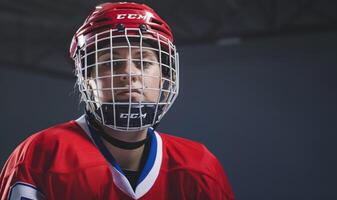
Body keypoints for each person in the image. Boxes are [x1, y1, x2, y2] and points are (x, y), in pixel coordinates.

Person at [0, 2, 235, 200]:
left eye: (143, 63)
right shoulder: (42, 155)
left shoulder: (200, 166)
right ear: (87, 77)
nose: (130, 73)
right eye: (111, 63)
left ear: (166, 75)